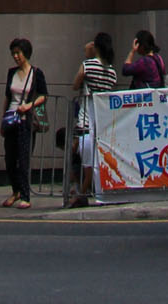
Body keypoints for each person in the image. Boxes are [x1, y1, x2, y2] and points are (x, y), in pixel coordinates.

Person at [69, 31, 118, 205]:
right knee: (92, 159)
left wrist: (88, 54)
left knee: (83, 159)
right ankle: (84, 190)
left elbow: (75, 85)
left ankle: (81, 193)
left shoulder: (88, 65)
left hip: (85, 120)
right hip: (102, 121)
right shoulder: (112, 71)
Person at [0, 35, 46, 208]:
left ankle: (26, 196)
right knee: (9, 159)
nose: (16, 56)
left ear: (26, 53)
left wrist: (28, 106)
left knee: (24, 159)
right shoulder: (11, 72)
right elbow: (7, 97)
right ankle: (15, 191)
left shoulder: (36, 73)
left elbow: (43, 96)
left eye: (18, 53)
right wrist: (2, 120)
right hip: (11, 119)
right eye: (13, 53)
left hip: (26, 121)